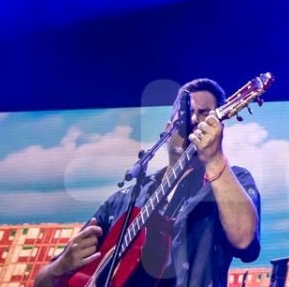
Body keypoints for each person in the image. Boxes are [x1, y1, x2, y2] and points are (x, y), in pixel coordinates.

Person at [35, 79, 261, 287]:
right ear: (167, 128)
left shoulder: (232, 181)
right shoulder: (121, 201)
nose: (193, 120)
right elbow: (41, 282)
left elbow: (245, 241)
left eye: (204, 114)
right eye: (186, 113)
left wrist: (214, 159)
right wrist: (60, 266)